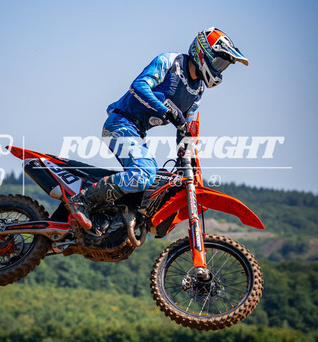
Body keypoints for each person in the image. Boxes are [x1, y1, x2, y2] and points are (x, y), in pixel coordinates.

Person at [68, 27, 249, 230]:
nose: (219, 69)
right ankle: (82, 201)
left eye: (223, 66)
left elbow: (187, 131)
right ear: (202, 53)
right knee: (145, 172)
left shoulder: (197, 91)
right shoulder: (170, 62)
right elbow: (139, 86)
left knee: (162, 183)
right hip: (120, 123)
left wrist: (187, 161)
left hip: (137, 132)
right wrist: (166, 111)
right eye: (218, 63)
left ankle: (115, 221)